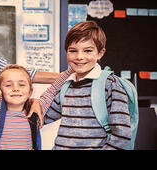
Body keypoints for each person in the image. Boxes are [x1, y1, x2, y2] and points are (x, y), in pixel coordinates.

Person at [43, 21, 132, 150]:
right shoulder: (67, 85)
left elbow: (122, 135)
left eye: (88, 50)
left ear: (100, 53)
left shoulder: (110, 85)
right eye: (73, 50)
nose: (79, 57)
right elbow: (43, 118)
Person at [0, 65, 40, 150]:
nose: (15, 88)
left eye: (21, 85)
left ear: (30, 91)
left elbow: (53, 90)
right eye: (8, 85)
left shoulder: (34, 114)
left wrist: (70, 72)